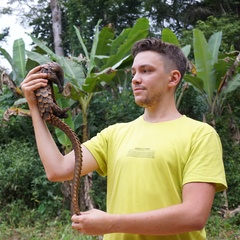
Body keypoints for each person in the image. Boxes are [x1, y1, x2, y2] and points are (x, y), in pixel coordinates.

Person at [20, 38, 227, 240]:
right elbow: (57, 169)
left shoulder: (200, 135)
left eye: (146, 71)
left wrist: (111, 223)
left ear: (173, 78)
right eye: (134, 72)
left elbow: (194, 216)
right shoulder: (115, 134)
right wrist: (35, 109)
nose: (136, 79)